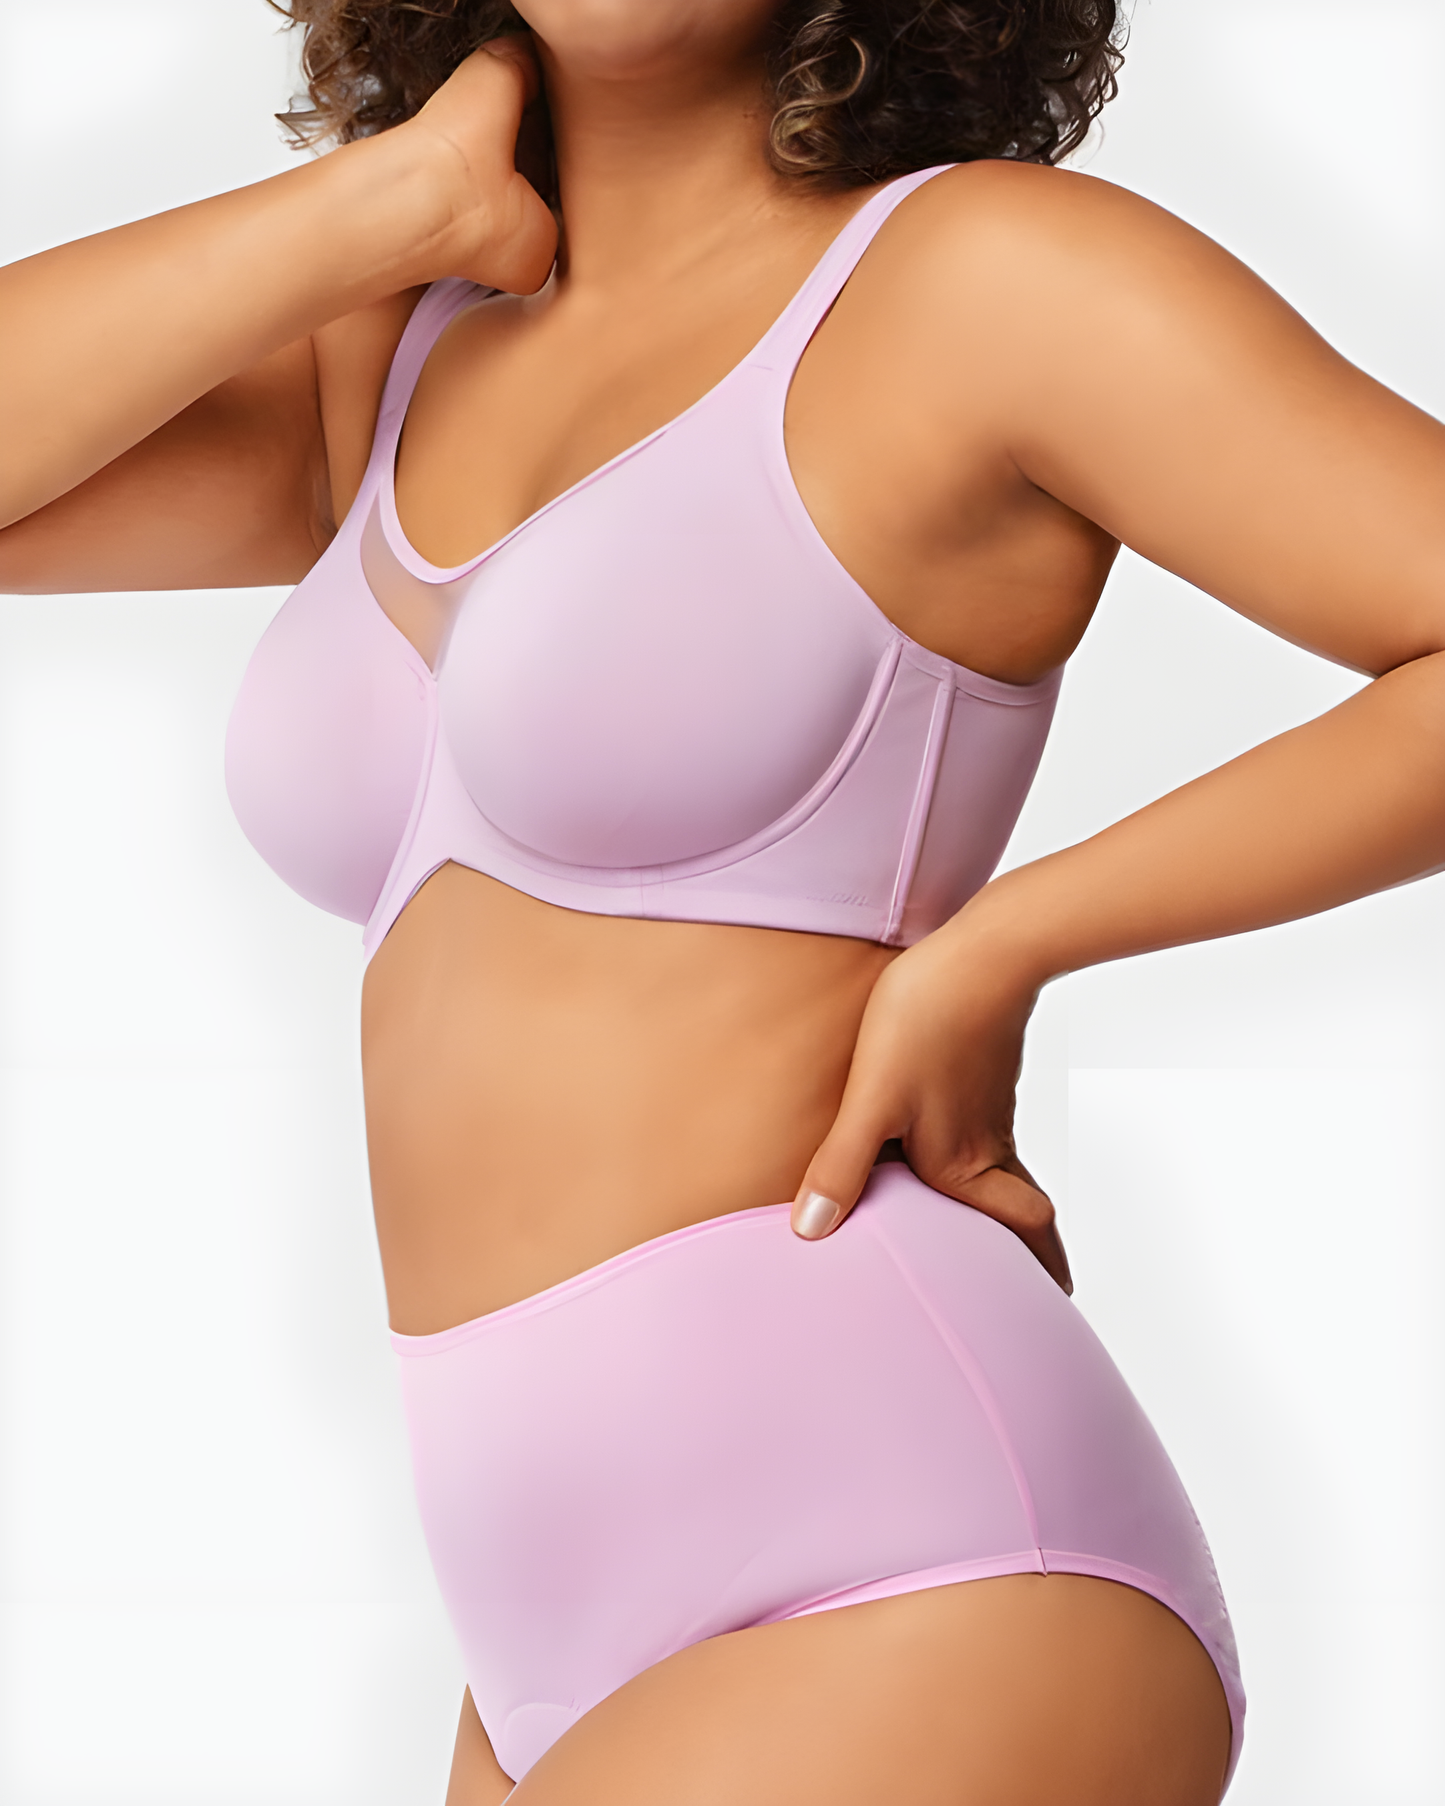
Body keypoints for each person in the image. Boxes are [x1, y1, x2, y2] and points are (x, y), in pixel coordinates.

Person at [2, 2, 1442, 1800]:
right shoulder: (393, 352)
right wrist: (388, 200)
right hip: (526, 1641)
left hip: (914, 1558)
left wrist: (1008, 943)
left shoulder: (981, 283)